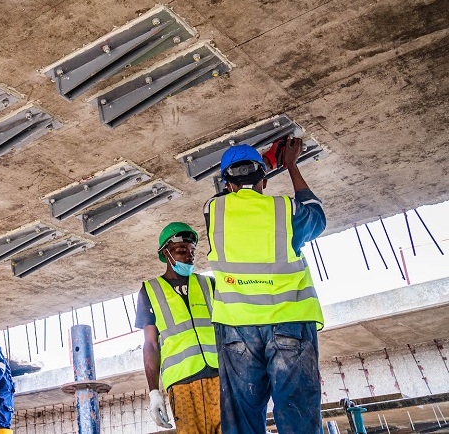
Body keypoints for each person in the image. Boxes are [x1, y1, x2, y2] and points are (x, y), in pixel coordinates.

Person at [206, 137, 326, 434]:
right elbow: (318, 217)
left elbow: (233, 194)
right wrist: (290, 165)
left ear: (227, 184)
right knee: (298, 415)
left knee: (241, 420)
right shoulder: (288, 210)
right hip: (290, 323)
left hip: (237, 330)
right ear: (265, 180)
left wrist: (266, 164)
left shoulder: (214, 213)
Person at [136, 222, 221, 433]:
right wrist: (154, 392)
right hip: (181, 382)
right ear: (166, 252)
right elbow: (151, 345)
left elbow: (228, 329)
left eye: (192, 251)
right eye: (181, 250)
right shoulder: (150, 291)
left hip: (219, 375)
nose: (189, 256)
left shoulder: (209, 284)